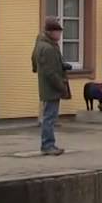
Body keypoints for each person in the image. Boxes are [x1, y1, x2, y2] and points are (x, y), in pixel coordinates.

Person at [32, 17, 68, 155]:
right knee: (50, 118)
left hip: (46, 86)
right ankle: (48, 145)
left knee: (49, 116)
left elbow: (34, 61)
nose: (60, 35)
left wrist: (62, 65)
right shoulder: (48, 48)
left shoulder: (41, 44)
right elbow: (51, 72)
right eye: (58, 32)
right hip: (51, 88)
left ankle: (48, 144)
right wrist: (61, 87)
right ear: (51, 32)